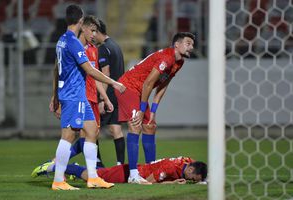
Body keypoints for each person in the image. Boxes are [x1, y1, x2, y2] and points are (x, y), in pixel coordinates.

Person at [50, 4, 125, 190]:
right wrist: (114, 83)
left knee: (92, 131)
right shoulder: (73, 42)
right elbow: (90, 70)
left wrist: (55, 95)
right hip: (73, 95)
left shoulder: (61, 40)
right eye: (91, 29)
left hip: (76, 95)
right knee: (69, 135)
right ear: (81, 22)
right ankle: (58, 180)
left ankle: (93, 178)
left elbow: (56, 69)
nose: (93, 34)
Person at [115, 32, 195, 184]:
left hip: (139, 91)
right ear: (176, 45)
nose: (191, 47)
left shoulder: (179, 63)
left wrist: (153, 111)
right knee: (135, 125)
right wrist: (141, 108)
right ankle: (133, 174)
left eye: (192, 44)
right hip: (128, 87)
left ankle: (151, 168)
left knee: (150, 126)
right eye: (188, 43)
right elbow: (148, 84)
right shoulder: (167, 58)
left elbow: (162, 86)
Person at [31, 156, 207, 184]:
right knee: (92, 177)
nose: (190, 180)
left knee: (99, 173)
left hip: (133, 169)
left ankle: (73, 168)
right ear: (190, 168)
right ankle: (53, 166)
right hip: (130, 174)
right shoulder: (169, 169)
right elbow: (147, 184)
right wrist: (173, 183)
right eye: (192, 178)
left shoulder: (187, 162)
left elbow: (199, 169)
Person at [94, 20, 126, 166]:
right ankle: (120, 164)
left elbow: (105, 72)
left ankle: (98, 163)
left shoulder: (103, 48)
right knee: (116, 129)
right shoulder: (115, 46)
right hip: (118, 94)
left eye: (94, 32)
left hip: (108, 95)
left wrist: (102, 99)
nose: (92, 36)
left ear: (98, 31)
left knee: (92, 129)